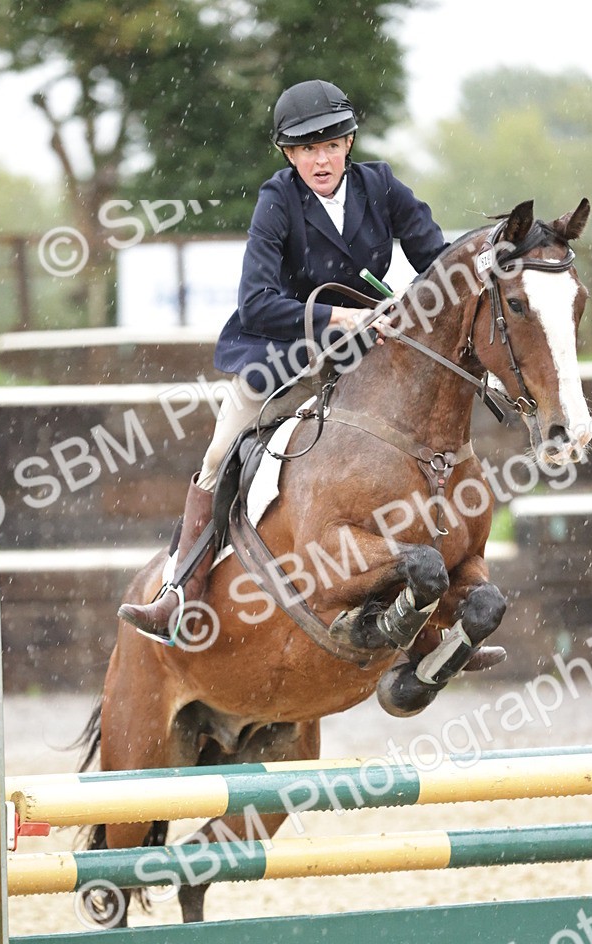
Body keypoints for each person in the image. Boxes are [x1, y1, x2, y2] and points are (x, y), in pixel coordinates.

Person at [119, 78, 449, 641]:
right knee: (222, 450)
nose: (318, 159)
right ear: (288, 154)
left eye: (329, 145)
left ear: (348, 143)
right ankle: (181, 591)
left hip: (367, 354)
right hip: (285, 356)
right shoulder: (278, 199)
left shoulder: (383, 185)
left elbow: (439, 265)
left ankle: (445, 611)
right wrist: (336, 318)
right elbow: (256, 302)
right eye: (304, 149)